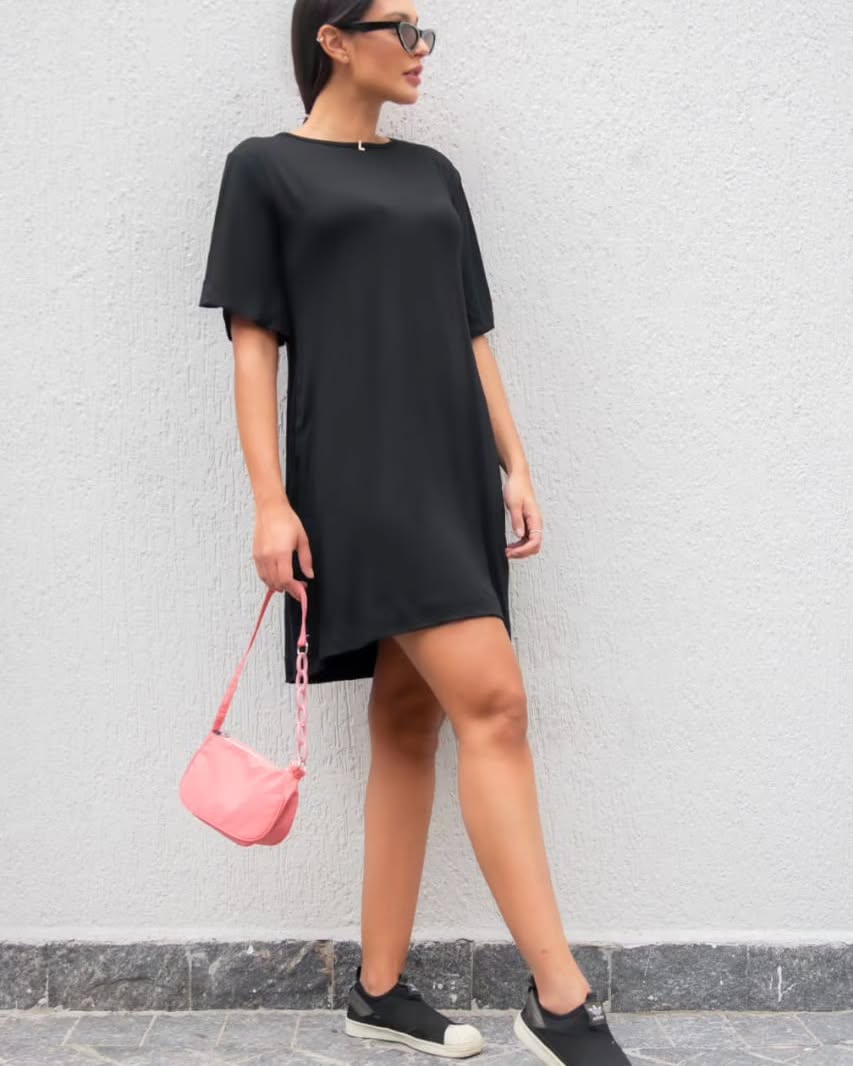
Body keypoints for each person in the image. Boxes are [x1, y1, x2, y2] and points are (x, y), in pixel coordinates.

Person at [198, 2, 630, 1063]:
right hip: (359, 478)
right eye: (401, 27)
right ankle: (561, 1001)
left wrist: (513, 461)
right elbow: (253, 346)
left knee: (408, 719)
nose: (421, 48)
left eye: (425, 28)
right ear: (334, 38)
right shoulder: (264, 169)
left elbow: (470, 329)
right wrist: (268, 500)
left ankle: (380, 991)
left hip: (451, 468)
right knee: (495, 702)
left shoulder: (434, 173)